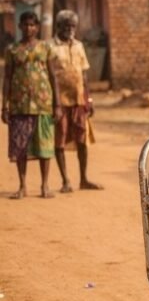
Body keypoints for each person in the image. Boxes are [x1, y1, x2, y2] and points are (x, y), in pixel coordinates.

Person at [1, 11, 60, 199]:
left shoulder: (45, 48)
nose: (29, 28)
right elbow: (7, 78)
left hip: (43, 104)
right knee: (20, 148)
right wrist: (4, 106)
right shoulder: (12, 50)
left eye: (32, 25)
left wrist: (57, 104)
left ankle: (45, 186)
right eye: (25, 25)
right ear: (20, 26)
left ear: (37, 27)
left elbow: (53, 76)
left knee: (44, 146)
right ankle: (22, 186)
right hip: (19, 106)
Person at [50, 10, 102, 193]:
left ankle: (84, 179)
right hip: (60, 102)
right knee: (60, 140)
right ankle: (65, 181)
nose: (70, 29)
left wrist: (89, 99)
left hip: (79, 100)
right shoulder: (51, 47)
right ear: (58, 26)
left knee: (82, 140)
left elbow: (84, 75)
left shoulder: (79, 46)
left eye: (73, 26)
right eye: (66, 26)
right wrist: (54, 103)